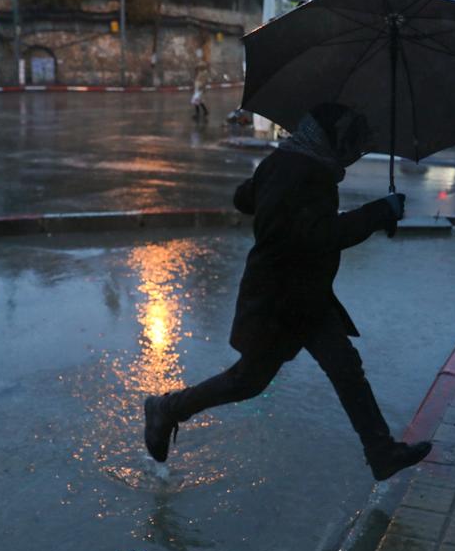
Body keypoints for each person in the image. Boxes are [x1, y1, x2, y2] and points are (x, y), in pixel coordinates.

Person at [144, 102, 432, 482]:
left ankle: (381, 452)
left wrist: (269, 178)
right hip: (278, 301)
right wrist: (380, 212)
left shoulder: (291, 163)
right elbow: (321, 235)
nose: (354, 153)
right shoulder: (305, 171)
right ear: (332, 138)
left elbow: (242, 198)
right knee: (247, 382)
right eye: (351, 143)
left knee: (346, 369)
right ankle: (166, 408)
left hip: (306, 297)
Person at [191, 55, 209, 121]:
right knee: (199, 101)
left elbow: (203, 82)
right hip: (197, 88)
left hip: (199, 89)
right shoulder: (200, 72)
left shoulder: (204, 73)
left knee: (195, 101)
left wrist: (201, 88)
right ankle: (205, 111)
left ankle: (197, 114)